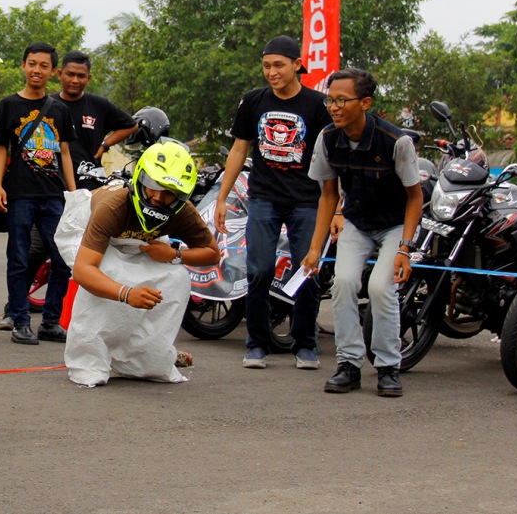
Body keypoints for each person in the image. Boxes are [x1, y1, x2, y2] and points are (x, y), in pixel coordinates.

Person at [300, 68, 422, 397]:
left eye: (342, 100)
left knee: (381, 287)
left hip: (396, 224)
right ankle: (349, 365)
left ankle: (387, 367)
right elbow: (328, 195)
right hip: (356, 221)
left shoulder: (397, 142)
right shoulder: (327, 138)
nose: (334, 107)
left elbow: (415, 197)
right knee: (342, 283)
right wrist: (315, 249)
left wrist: (405, 249)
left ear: (365, 102)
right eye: (330, 100)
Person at [213, 35, 331, 370]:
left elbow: (331, 159)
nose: (271, 72)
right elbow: (239, 149)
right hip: (263, 199)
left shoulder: (318, 105)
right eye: (266, 65)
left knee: (306, 272)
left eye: (278, 65)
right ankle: (257, 343)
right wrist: (223, 196)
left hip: (307, 201)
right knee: (259, 270)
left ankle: (305, 343)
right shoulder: (253, 101)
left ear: (297, 64)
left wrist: (336, 207)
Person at [60, 140, 220, 385]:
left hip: (137, 239)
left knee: (175, 278)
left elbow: (212, 253)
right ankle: (88, 360)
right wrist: (126, 294)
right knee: (108, 272)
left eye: (168, 192)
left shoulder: (183, 211)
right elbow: (83, 270)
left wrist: (175, 255)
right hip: (83, 227)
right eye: (152, 186)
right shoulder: (114, 205)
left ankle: (143, 360)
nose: (157, 196)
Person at [0, 41, 77, 345]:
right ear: (23, 66)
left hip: (54, 195)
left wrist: (73, 193)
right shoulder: (9, 105)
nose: (36, 70)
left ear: (52, 71)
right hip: (20, 194)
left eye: (43, 65)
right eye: (31, 64)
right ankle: (20, 320)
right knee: (18, 258)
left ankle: (51, 321)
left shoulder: (60, 109)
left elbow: (64, 152)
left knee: (62, 257)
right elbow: (1, 149)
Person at [56, 51, 138, 189]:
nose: (75, 80)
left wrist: (105, 145)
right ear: (59, 74)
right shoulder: (49, 105)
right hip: (55, 184)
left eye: (81, 76)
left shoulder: (99, 105)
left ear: (88, 78)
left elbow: (131, 126)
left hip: (91, 184)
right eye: (70, 74)